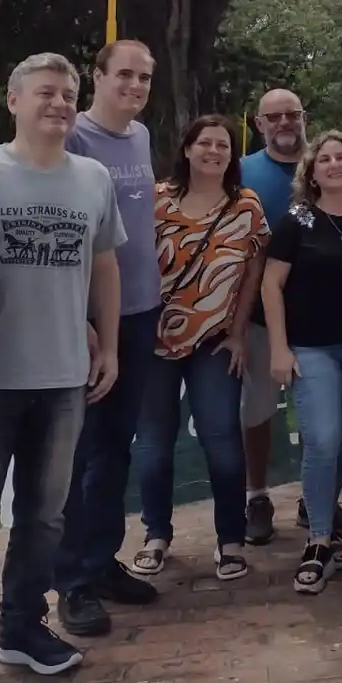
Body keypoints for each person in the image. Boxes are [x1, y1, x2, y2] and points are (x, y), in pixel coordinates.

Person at [0, 53, 125, 683]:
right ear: (13, 101)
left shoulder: (93, 178)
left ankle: (22, 628)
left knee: (44, 519)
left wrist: (109, 345)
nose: (60, 103)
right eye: (46, 92)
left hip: (64, 377)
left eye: (69, 93)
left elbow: (104, 265)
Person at [53, 39, 162, 638]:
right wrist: (86, 322)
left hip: (141, 313)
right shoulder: (74, 137)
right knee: (79, 452)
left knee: (117, 446)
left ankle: (101, 562)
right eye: (124, 74)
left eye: (144, 77)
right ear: (97, 76)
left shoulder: (140, 137)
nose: (135, 86)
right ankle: (71, 581)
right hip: (88, 321)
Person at [131, 115, 268, 582]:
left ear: (232, 154)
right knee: (153, 445)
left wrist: (238, 332)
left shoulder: (246, 205)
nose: (213, 151)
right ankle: (156, 535)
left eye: (222, 145)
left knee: (223, 442)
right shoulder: (156, 200)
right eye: (204, 143)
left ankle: (230, 540)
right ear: (187, 149)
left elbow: (253, 271)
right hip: (153, 341)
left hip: (215, 341)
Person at [262, 131, 342, 594]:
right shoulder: (296, 221)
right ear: (311, 172)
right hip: (311, 348)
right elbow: (271, 285)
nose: (334, 164)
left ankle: (319, 510)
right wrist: (279, 348)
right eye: (325, 159)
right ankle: (318, 541)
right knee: (323, 439)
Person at [237, 89, 342, 549]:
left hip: (320, 324)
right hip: (260, 316)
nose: (284, 122)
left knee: (321, 421)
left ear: (304, 117)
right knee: (258, 411)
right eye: (274, 117)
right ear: (259, 124)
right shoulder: (241, 171)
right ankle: (257, 497)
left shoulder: (330, 161)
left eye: (292, 114)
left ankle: (315, 500)